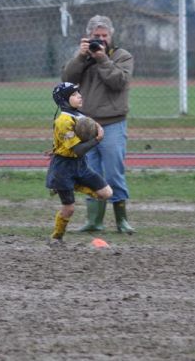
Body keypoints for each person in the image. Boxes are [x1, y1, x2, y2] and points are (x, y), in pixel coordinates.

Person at [61, 15, 135, 234]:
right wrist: (80, 57)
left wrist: (102, 59)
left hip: (113, 123)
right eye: (96, 36)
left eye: (104, 36)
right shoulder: (82, 57)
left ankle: (122, 220)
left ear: (111, 36)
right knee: (89, 173)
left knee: (114, 173)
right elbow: (66, 80)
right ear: (88, 36)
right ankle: (95, 221)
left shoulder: (122, 56)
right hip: (86, 125)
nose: (100, 40)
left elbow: (119, 82)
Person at [46, 82, 112, 246]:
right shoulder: (63, 121)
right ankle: (56, 237)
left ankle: (71, 185)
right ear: (64, 100)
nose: (80, 96)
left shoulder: (80, 116)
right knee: (69, 209)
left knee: (106, 193)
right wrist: (97, 139)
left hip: (80, 165)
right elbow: (77, 150)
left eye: (79, 93)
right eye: (75, 94)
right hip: (64, 167)